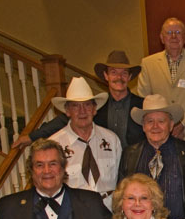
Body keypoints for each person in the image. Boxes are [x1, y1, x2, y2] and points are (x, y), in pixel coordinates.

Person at [13, 51, 145, 150]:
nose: (119, 77)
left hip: (136, 170)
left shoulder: (142, 106)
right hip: (107, 168)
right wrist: (32, 137)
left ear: (130, 77)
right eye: (114, 72)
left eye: (124, 73)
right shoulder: (96, 107)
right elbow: (63, 120)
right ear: (106, 76)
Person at [117, 94, 185, 219]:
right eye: (150, 121)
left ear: (171, 125)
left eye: (161, 121)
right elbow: (121, 195)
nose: (155, 126)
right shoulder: (130, 154)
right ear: (143, 126)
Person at [48, 76, 121, 211]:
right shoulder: (54, 145)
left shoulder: (111, 140)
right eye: (75, 106)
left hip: (110, 211)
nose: (82, 111)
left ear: (94, 109)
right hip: (73, 212)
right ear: (67, 111)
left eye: (87, 105)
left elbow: (121, 181)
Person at [137, 17, 185, 142]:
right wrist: (165, 124)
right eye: (169, 33)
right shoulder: (147, 63)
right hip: (158, 132)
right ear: (162, 38)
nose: (173, 36)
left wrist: (184, 123)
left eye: (178, 32)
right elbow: (144, 97)